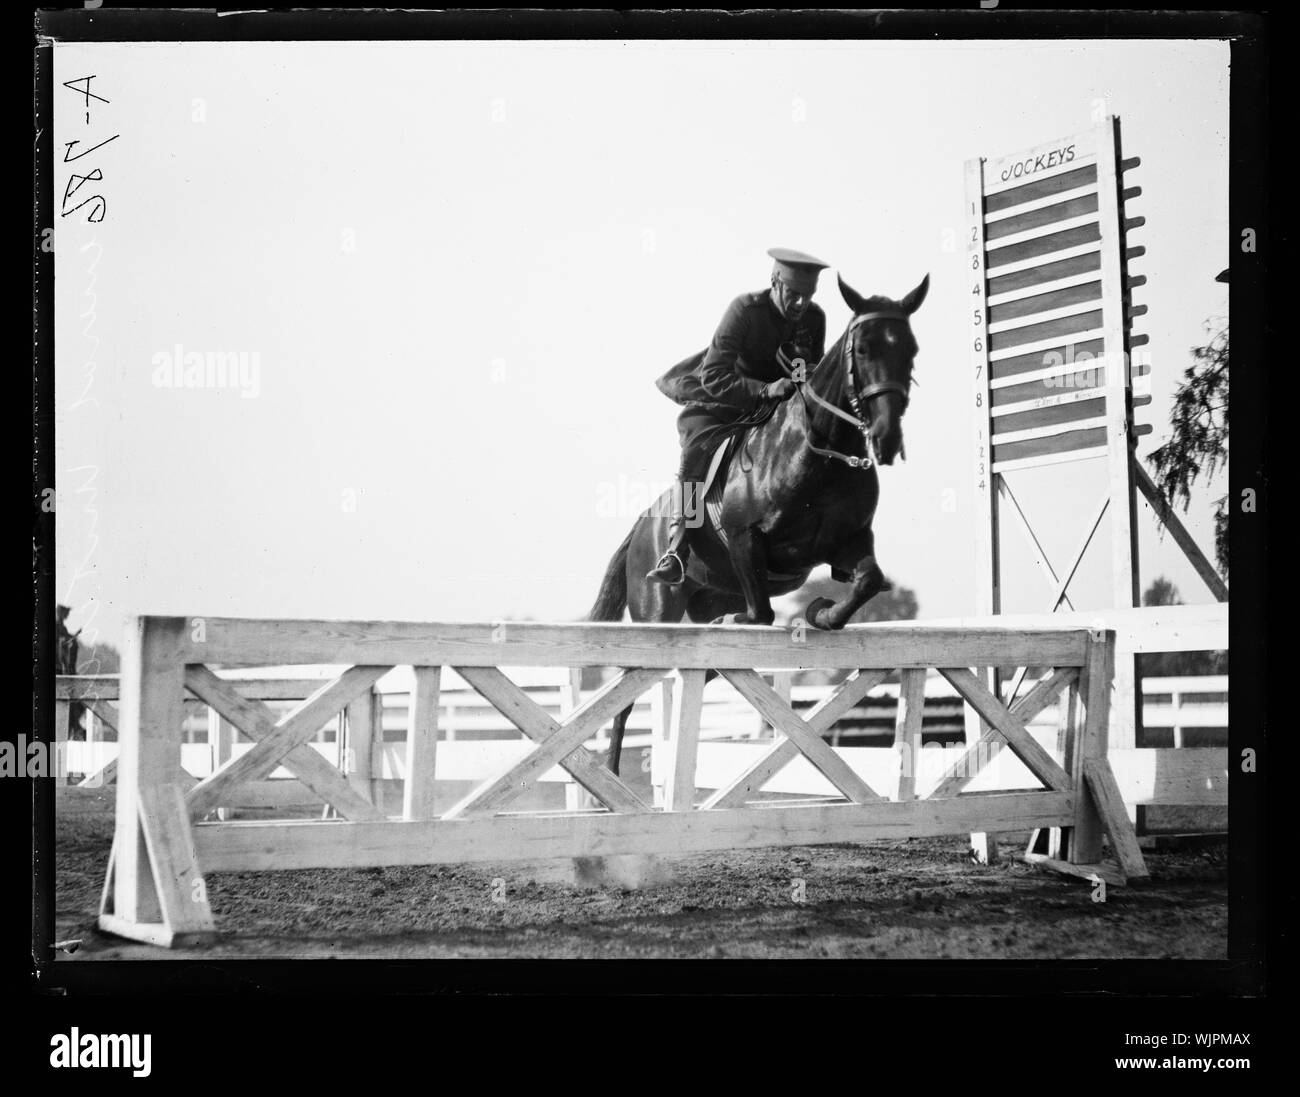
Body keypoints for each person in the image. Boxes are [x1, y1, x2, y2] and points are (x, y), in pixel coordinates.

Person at [646, 247, 829, 585]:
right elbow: (713, 376)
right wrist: (764, 390)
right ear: (775, 282)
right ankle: (678, 546)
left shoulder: (814, 319)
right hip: (720, 407)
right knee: (695, 453)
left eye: (807, 296)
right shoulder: (745, 310)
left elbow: (808, 377)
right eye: (793, 294)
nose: (800, 304)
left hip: (774, 415)